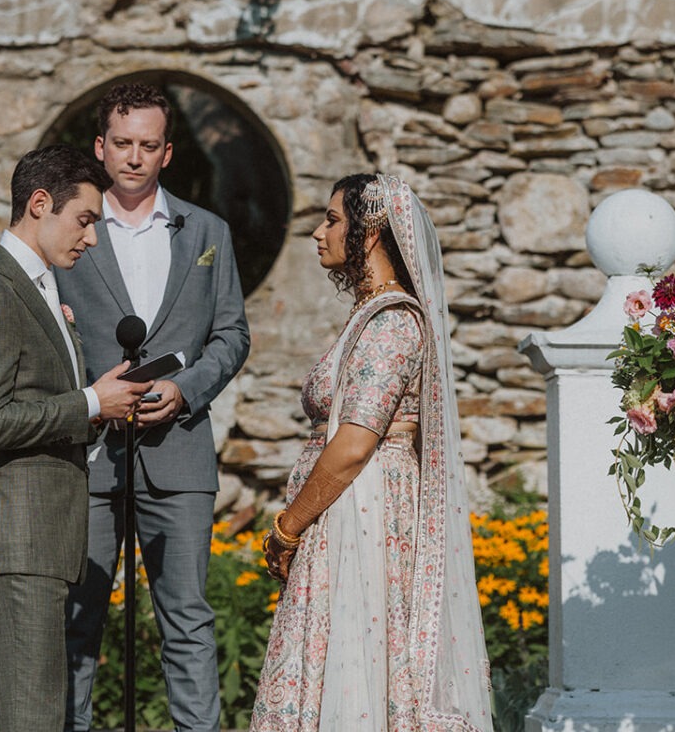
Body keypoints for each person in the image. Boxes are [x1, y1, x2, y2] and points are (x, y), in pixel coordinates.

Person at [252, 173, 493, 732]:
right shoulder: (370, 315)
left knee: (359, 660)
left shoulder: (392, 323)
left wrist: (287, 528)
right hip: (346, 512)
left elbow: (357, 442)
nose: (319, 232)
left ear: (372, 232)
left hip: (364, 514)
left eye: (333, 220)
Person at [56, 83, 251, 732]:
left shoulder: (209, 232)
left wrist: (188, 388)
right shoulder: (70, 231)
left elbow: (232, 335)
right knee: (78, 618)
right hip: (90, 454)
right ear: (99, 147)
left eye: (148, 145)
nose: (134, 157)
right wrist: (89, 398)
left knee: (188, 618)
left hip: (181, 453)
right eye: (122, 144)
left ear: (168, 152)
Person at [0, 144, 157, 732]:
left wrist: (99, 406)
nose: (91, 239)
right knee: (29, 718)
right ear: (41, 204)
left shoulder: (35, 288)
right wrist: (90, 401)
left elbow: (34, 405)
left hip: (31, 543)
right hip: (16, 542)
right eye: (85, 220)